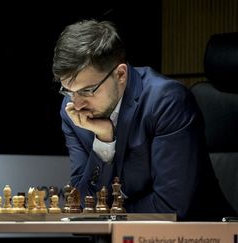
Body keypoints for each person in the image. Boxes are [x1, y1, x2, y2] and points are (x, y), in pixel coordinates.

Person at [52, 19, 236, 221]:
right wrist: (104, 142)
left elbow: (169, 209)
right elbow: (82, 202)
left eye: (87, 91)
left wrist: (107, 215)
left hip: (199, 234)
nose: (77, 104)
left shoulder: (166, 101)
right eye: (68, 91)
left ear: (120, 74)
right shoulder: (72, 112)